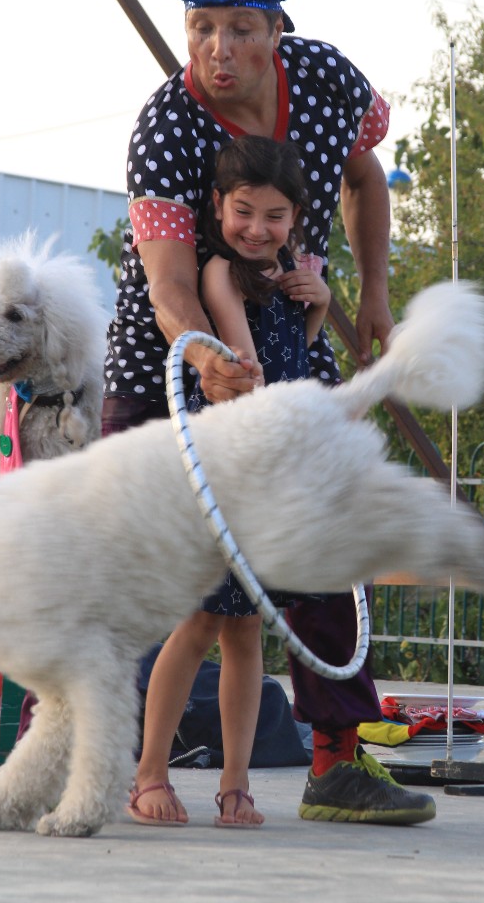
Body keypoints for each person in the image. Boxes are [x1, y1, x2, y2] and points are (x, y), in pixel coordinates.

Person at [103, 0, 436, 827]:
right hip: (168, 369)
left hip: (289, 353)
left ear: (276, 34)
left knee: (319, 557)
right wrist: (208, 356)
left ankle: (336, 762)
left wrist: (370, 292)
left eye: (239, 30)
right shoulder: (167, 125)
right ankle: (83, 748)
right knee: (126, 569)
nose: (216, 49)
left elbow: (365, 178)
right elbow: (170, 282)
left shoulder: (326, 81)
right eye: (200, 29)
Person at [129, 136, 330, 828]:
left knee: (248, 635)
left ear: (295, 217)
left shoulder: (297, 273)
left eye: (273, 216)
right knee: (199, 621)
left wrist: (320, 300)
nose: (256, 228)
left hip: (271, 474)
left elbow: (301, 357)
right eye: (243, 211)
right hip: (226, 470)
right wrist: (246, 376)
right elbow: (244, 363)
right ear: (218, 207)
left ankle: (235, 784)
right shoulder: (219, 272)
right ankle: (150, 772)